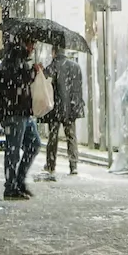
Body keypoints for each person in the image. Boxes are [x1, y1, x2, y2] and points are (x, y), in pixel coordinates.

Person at [0, 33, 40, 198]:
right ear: (24, 43)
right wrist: (32, 73)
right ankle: (11, 187)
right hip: (14, 112)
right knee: (13, 150)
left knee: (34, 144)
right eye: (31, 44)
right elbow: (15, 82)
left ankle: (19, 181)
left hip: (23, 112)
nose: (33, 48)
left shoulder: (20, 60)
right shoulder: (12, 60)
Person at [39, 48, 85, 179]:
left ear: (54, 52)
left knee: (53, 138)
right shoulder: (76, 67)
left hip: (55, 108)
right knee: (71, 136)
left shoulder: (51, 67)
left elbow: (44, 87)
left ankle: (51, 164)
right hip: (70, 107)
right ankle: (73, 165)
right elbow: (78, 88)